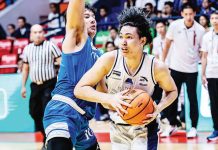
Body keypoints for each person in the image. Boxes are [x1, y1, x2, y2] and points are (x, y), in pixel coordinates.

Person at [75, 7, 178, 150]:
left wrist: (158, 108)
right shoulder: (108, 59)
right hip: (118, 127)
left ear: (142, 40)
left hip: (145, 128)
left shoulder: (156, 66)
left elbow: (172, 91)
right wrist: (110, 99)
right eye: (121, 36)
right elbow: (80, 89)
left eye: (129, 37)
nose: (123, 42)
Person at [43, 0, 106, 149]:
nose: (92, 19)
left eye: (93, 17)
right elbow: (75, 10)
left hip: (83, 121)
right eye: (86, 16)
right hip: (63, 111)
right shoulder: (74, 39)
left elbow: (103, 93)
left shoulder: (100, 55)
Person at [161, 2, 205, 138]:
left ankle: (193, 127)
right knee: (172, 97)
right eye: (186, 14)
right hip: (175, 67)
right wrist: (163, 62)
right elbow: (167, 44)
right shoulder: (175, 25)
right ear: (181, 14)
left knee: (192, 99)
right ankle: (172, 124)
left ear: (195, 14)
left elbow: (203, 52)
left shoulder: (200, 30)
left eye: (191, 14)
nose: (189, 17)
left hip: (192, 69)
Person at [21, 24, 61, 148]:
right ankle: (45, 134)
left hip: (49, 84)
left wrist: (60, 80)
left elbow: (61, 63)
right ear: (31, 35)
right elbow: (26, 68)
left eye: (40, 32)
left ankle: (48, 139)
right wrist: (23, 86)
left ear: (43, 33)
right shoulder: (27, 49)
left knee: (46, 112)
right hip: (35, 85)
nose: (38, 34)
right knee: (33, 112)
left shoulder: (51, 46)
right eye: (35, 32)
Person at [201, 11, 218, 141]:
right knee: (214, 103)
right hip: (212, 73)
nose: (214, 20)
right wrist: (203, 73)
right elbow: (204, 56)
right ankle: (216, 129)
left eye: (217, 18)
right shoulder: (207, 36)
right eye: (212, 18)